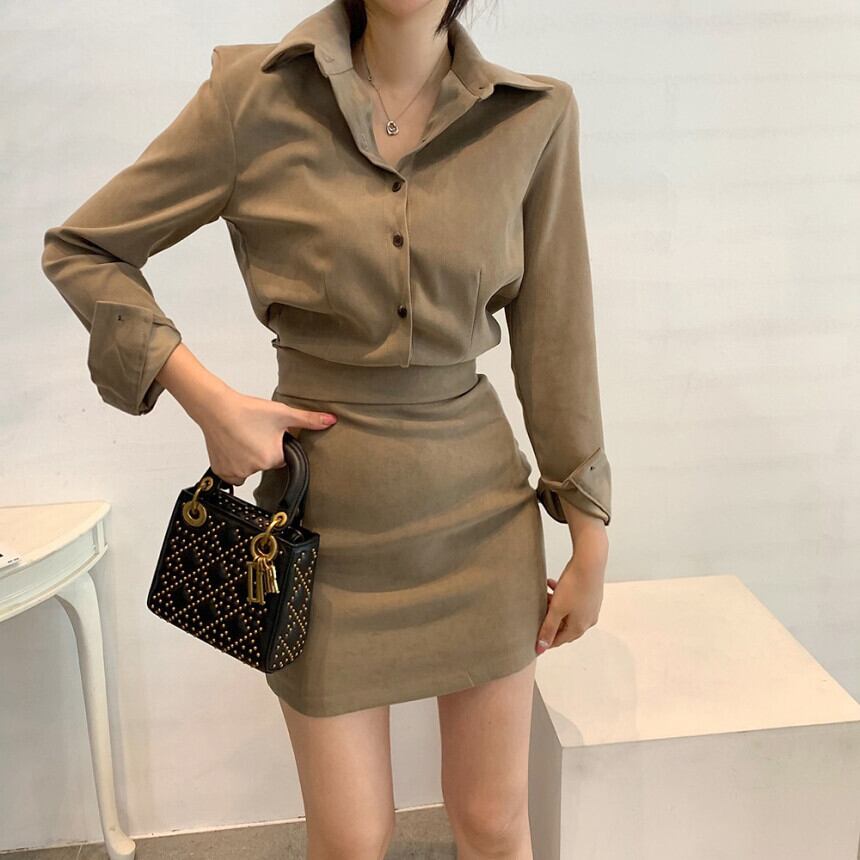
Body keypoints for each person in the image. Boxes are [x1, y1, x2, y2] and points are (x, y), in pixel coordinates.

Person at [40, 0, 611, 856]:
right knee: (350, 839)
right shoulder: (252, 96)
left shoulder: (534, 117)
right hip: (322, 531)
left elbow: (556, 333)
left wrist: (590, 534)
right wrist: (210, 401)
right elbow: (86, 249)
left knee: (494, 821)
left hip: (482, 527)